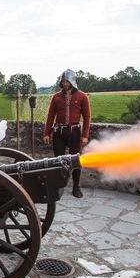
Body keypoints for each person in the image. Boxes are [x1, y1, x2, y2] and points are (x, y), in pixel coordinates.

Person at [43, 69, 91, 198]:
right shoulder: (56, 97)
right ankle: (58, 186)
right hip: (59, 132)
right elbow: (50, 116)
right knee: (58, 160)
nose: (65, 84)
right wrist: (46, 133)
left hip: (75, 132)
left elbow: (87, 117)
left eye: (67, 81)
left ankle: (76, 186)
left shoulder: (82, 96)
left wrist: (85, 135)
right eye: (63, 81)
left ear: (72, 81)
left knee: (76, 161)